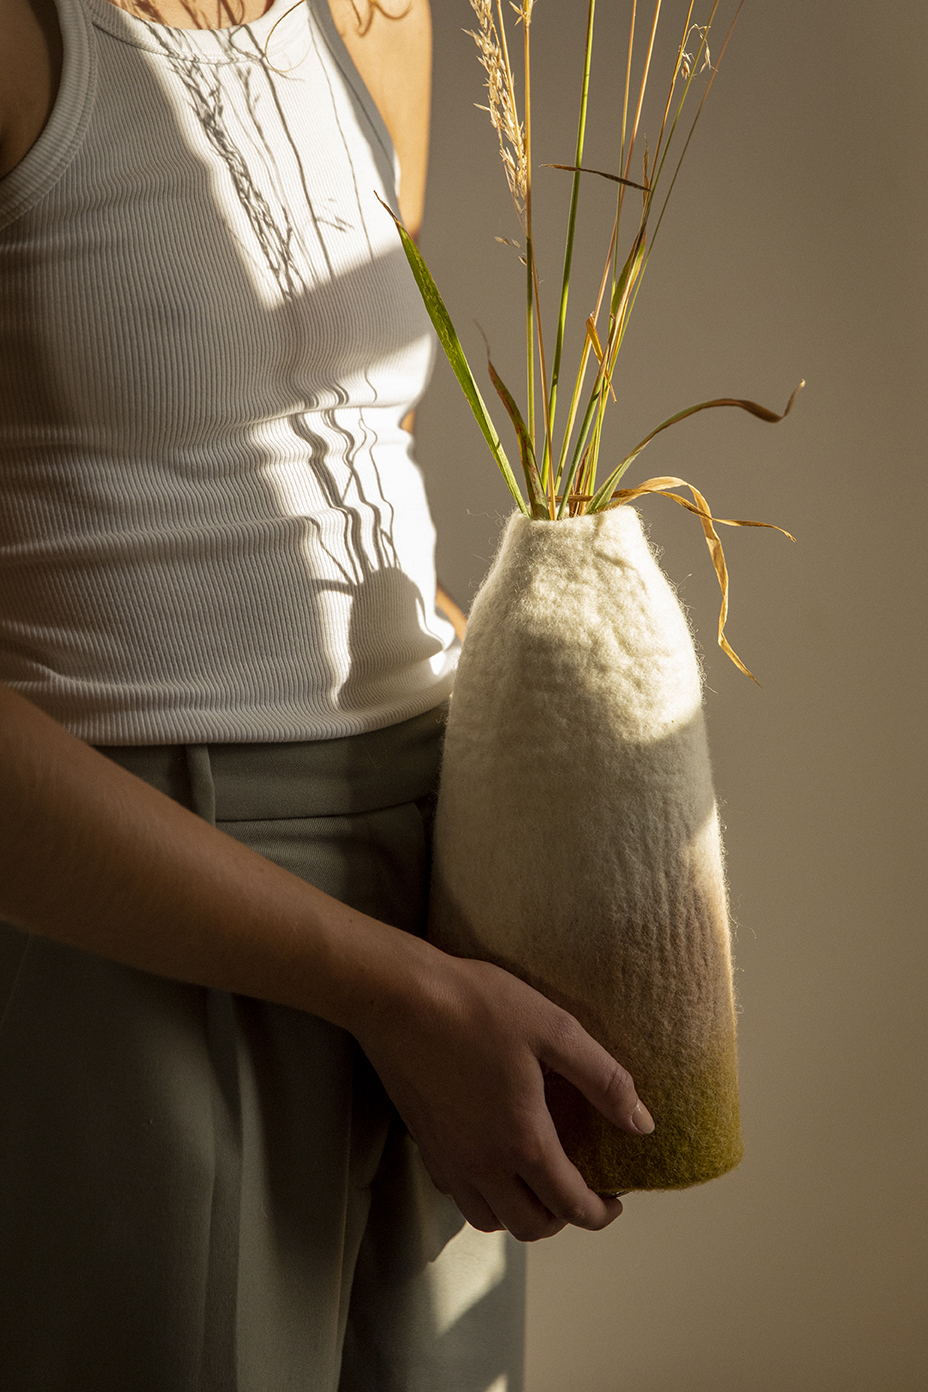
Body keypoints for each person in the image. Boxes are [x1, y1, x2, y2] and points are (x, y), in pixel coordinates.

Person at [0, 0, 654, 1386]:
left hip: (442, 874)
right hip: (154, 908)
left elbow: (353, 449)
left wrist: (562, 752)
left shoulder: (377, 20)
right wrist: (394, 995)